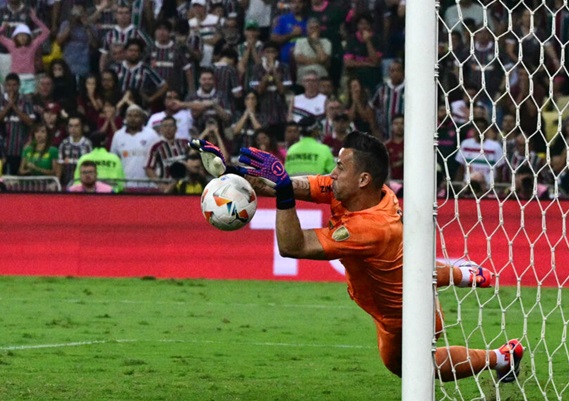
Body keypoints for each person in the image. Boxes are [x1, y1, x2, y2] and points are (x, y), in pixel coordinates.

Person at [189, 132, 524, 382]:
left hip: (403, 315)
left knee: (414, 370)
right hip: (406, 283)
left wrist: (284, 192)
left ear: (363, 178)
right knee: (408, 267)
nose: (333, 172)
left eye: (340, 166)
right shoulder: (356, 192)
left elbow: (293, 246)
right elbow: (280, 186)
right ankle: (465, 274)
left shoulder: (369, 228)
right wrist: (228, 171)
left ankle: (502, 357)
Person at [0, 8, 50, 95]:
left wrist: (35, 20)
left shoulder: (32, 45)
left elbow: (46, 32)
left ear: (29, 37)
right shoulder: (12, 45)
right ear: (15, 37)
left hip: (30, 78)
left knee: (29, 101)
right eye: (20, 35)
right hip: (16, 79)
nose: (22, 37)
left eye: (25, 35)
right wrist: (3, 26)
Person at [110, 104, 160, 189]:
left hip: (148, 184)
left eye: (136, 116)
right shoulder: (118, 135)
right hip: (125, 184)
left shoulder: (151, 134)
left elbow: (158, 158)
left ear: (142, 118)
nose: (132, 119)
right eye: (129, 116)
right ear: (125, 118)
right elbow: (114, 159)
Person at [57, 114, 92, 188]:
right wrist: (57, 182)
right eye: (71, 126)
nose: (73, 129)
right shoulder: (64, 144)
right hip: (66, 184)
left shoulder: (87, 144)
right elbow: (60, 165)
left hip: (83, 185)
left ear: (81, 127)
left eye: (76, 126)